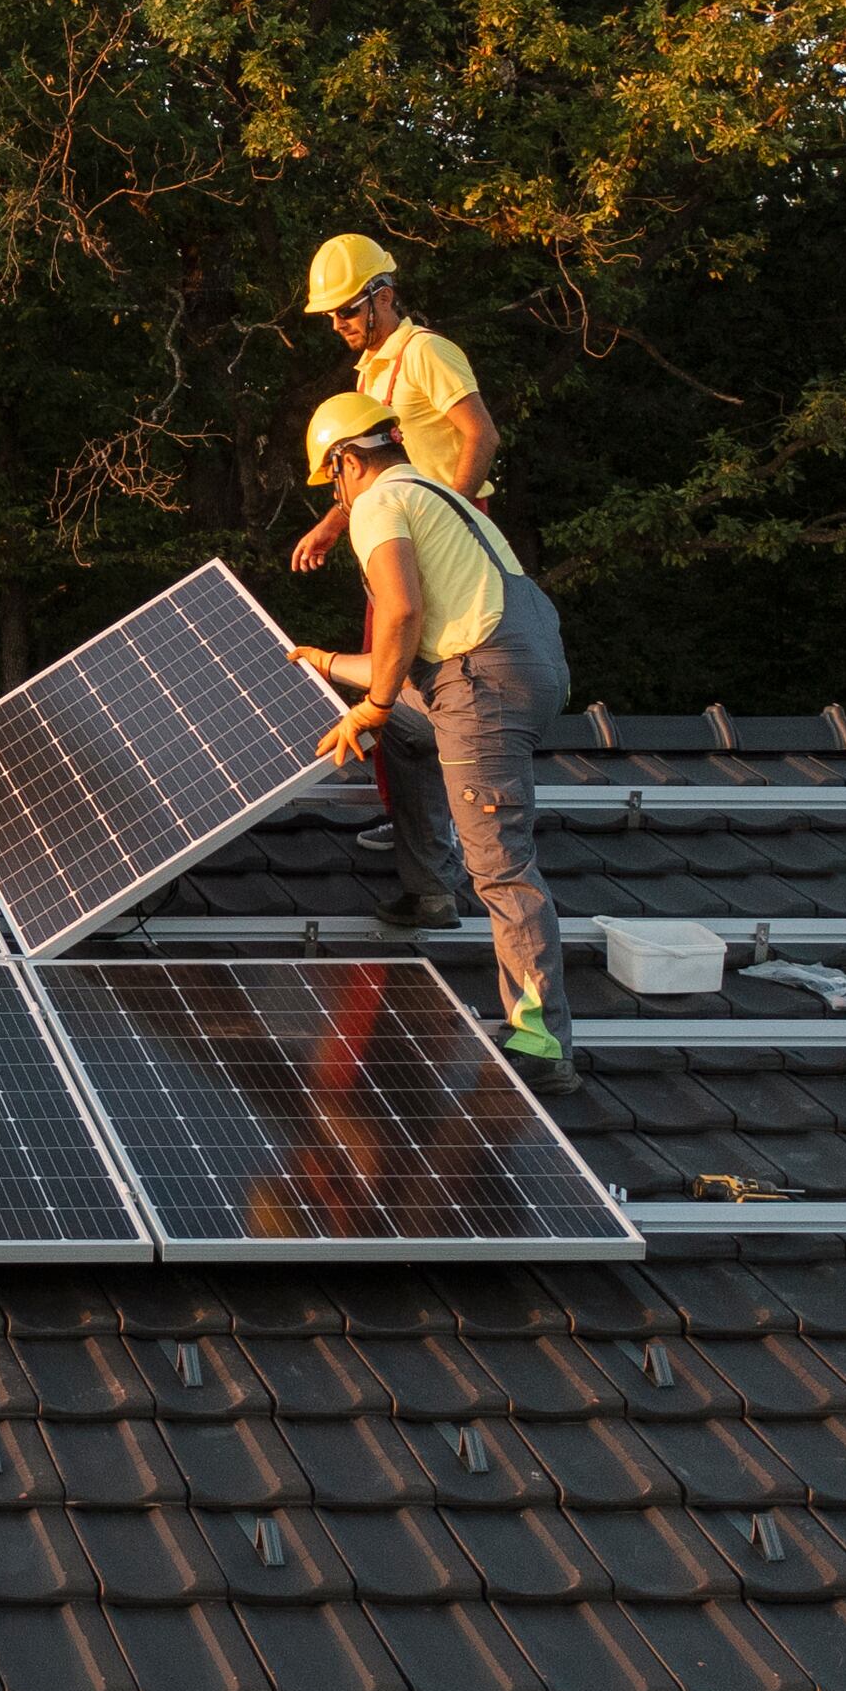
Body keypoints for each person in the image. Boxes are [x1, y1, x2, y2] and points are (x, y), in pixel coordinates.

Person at [290, 388, 575, 1081]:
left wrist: (376, 703)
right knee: (412, 736)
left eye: (333, 477)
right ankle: (427, 888)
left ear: (347, 462)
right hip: (509, 661)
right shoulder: (429, 490)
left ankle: (543, 1042)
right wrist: (327, 663)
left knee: (500, 864)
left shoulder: (380, 503)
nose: (338, 491)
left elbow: (402, 610)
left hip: (484, 684)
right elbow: (402, 650)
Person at [283, 234, 497, 577]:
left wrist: (452, 516)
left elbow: (482, 433)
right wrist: (332, 525)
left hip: (454, 524)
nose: (337, 324)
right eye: (330, 314)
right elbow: (370, 473)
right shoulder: (367, 375)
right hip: (403, 528)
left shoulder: (424, 351)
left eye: (347, 310)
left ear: (383, 297)